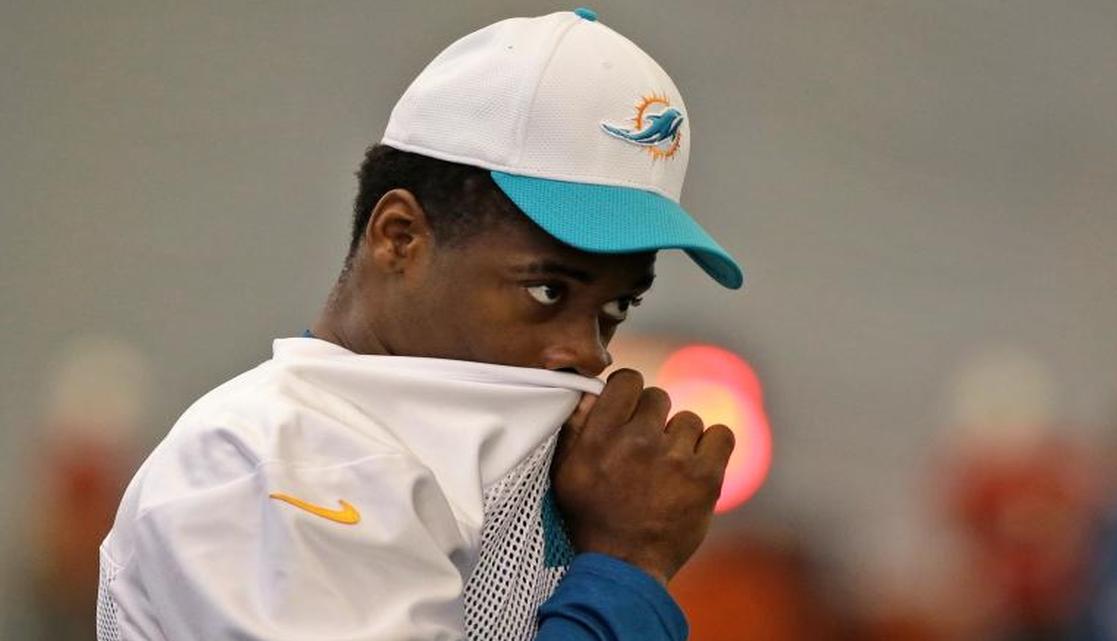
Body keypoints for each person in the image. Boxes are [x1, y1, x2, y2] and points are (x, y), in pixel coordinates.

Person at [97, 8, 744, 641]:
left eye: (616, 310)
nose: (589, 353)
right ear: (399, 237)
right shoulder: (260, 459)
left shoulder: (548, 467)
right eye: (548, 289)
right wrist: (628, 571)